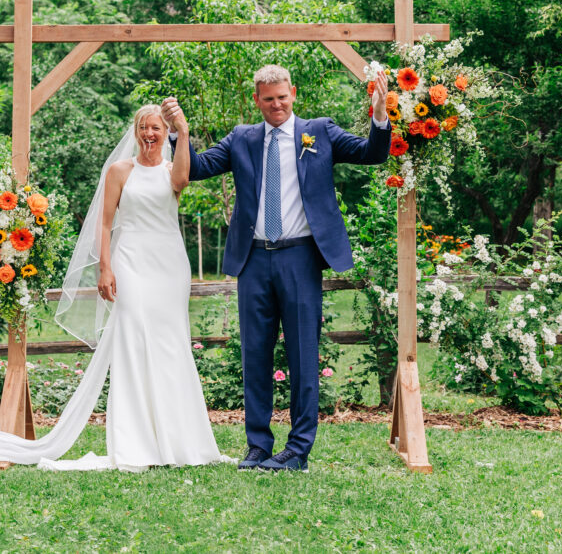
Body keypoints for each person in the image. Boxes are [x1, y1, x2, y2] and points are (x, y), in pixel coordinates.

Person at [161, 65, 391, 472]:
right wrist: (179, 131)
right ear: (257, 100)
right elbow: (195, 169)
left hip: (301, 256)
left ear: (293, 93)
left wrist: (379, 113)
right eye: (268, 99)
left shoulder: (319, 132)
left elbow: (372, 154)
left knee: (303, 353)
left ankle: (298, 450)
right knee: (255, 354)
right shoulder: (241, 138)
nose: (276, 105)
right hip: (253, 259)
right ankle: (258, 446)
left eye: (282, 97)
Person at [0, 105, 230, 471]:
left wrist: (184, 128)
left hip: (169, 265)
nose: (150, 134)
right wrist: (106, 268)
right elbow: (105, 224)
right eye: (144, 128)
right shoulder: (118, 171)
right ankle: (135, 443)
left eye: (157, 128)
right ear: (135, 131)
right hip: (129, 260)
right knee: (131, 340)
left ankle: (178, 442)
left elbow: (181, 181)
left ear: (165, 132)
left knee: (169, 344)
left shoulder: (172, 170)